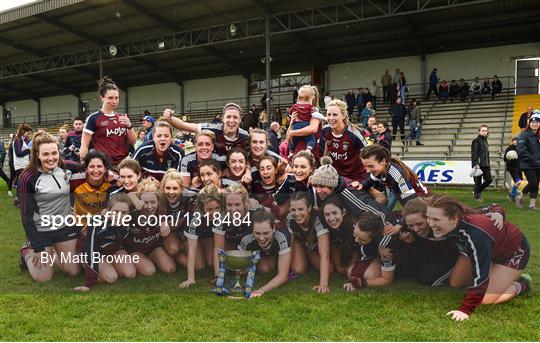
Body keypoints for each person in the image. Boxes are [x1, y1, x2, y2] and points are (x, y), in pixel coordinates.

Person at [426, 195, 531, 321]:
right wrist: (498, 212)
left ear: (454, 218)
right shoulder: (460, 215)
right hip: (484, 248)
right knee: (456, 283)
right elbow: (491, 206)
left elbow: (481, 277)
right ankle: (497, 273)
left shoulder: (476, 234)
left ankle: (522, 284)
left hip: (513, 252)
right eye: (428, 218)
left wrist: (465, 309)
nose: (430, 224)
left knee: (486, 299)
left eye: (436, 220)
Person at [18, 132, 81, 282]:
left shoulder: (67, 168)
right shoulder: (27, 178)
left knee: (74, 271)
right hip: (41, 231)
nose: (51, 158)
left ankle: (53, 252)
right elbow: (26, 217)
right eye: (45, 154)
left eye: (54, 153)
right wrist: (38, 246)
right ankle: (26, 251)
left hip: (65, 227)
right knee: (44, 278)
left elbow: (94, 168)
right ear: (37, 155)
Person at [74, 193, 137, 291]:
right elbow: (91, 252)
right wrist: (88, 284)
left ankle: (106, 265)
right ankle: (90, 268)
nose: (119, 216)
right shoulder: (97, 223)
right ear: (108, 211)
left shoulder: (130, 221)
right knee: (111, 277)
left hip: (110, 251)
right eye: (116, 212)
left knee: (130, 273)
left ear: (129, 213)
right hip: (89, 252)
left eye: (124, 213)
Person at [80, 76, 136, 167]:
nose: (114, 101)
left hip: (124, 164)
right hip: (104, 165)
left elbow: (133, 142)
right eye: (110, 98)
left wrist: (129, 126)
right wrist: (83, 164)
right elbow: (84, 146)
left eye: (116, 98)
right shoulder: (93, 118)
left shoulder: (122, 117)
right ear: (102, 98)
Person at [126, 178, 175, 276]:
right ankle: (138, 261)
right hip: (135, 250)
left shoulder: (161, 209)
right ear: (139, 201)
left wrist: (164, 221)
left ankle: (152, 258)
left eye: (153, 202)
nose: (149, 206)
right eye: (145, 202)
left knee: (170, 269)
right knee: (149, 271)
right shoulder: (132, 212)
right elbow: (128, 195)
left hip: (153, 247)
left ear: (158, 201)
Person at [239, 208, 292, 298]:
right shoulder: (246, 239)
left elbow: (283, 275)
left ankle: (280, 260)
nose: (262, 238)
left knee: (298, 268)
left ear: (274, 228)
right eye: (257, 233)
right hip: (266, 254)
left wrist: (261, 290)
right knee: (265, 269)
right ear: (252, 230)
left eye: (266, 233)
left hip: (286, 248)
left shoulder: (281, 236)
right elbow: (242, 267)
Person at [164, 102, 248, 157]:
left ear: (240, 119)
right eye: (228, 117)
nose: (231, 120)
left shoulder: (245, 136)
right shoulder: (212, 129)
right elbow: (183, 125)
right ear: (222, 118)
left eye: (235, 117)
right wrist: (169, 117)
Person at [358, 144, 430, 208]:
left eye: (371, 166)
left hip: (423, 202)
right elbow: (370, 181)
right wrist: (361, 185)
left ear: (383, 161)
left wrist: (404, 219)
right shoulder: (381, 169)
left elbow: (409, 198)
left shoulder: (397, 174)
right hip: (409, 198)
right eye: (365, 166)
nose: (367, 170)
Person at [287, 192, 331, 293]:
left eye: (301, 209)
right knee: (298, 270)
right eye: (293, 209)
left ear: (309, 208)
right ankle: (303, 258)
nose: (297, 214)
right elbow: (291, 243)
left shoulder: (318, 219)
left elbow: (325, 255)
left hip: (314, 247)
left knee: (330, 269)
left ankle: (307, 257)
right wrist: (284, 273)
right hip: (301, 244)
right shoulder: (290, 218)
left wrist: (323, 284)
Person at [181, 184, 223, 287]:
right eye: (209, 209)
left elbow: (218, 247)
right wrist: (191, 278)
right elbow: (192, 250)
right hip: (191, 234)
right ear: (202, 207)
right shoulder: (195, 218)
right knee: (199, 266)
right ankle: (177, 254)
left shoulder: (222, 213)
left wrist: (218, 276)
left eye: (217, 208)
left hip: (207, 234)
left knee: (210, 262)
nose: (215, 213)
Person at [343, 213, 396, 291]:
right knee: (349, 271)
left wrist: (363, 283)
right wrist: (354, 278)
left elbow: (387, 279)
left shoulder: (386, 247)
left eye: (362, 239)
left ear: (374, 238)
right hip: (372, 253)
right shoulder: (359, 228)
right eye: (355, 235)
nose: (356, 240)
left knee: (369, 275)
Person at [320, 99, 368, 183]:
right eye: (329, 114)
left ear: (343, 115)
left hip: (356, 177)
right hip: (337, 176)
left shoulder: (354, 134)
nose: (331, 118)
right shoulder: (325, 130)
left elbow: (367, 154)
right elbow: (327, 145)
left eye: (335, 115)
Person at [160, 169, 189, 267]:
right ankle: (166, 250)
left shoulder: (189, 196)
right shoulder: (158, 198)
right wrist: (163, 221)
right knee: (173, 250)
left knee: (198, 266)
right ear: (163, 188)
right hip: (167, 232)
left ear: (181, 189)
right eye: (167, 188)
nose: (171, 192)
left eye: (175, 188)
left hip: (183, 230)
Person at [287, 85, 322, 156]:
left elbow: (313, 129)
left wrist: (292, 132)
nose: (299, 99)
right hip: (297, 152)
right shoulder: (296, 110)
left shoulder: (315, 112)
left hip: (309, 152)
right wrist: (291, 123)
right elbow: (288, 138)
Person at [516, 112, 540, 210]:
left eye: (537, 122)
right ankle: (519, 196)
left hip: (538, 164)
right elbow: (521, 151)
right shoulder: (524, 135)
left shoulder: (538, 136)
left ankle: (532, 205)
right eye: (533, 122)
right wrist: (534, 160)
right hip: (528, 164)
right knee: (533, 182)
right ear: (529, 123)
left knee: (536, 183)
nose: (535, 124)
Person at [11, 123, 33, 207]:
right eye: (28, 133)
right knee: (23, 183)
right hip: (21, 165)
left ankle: (17, 201)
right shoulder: (18, 140)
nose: (29, 135)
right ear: (23, 131)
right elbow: (18, 153)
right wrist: (29, 150)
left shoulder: (20, 139)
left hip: (22, 165)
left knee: (22, 182)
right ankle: (19, 201)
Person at [471, 125, 492, 202]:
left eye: (486, 130)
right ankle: (477, 196)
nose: (484, 132)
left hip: (486, 164)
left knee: (489, 180)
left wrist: (488, 164)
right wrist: (476, 164)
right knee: (478, 181)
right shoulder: (476, 141)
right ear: (479, 131)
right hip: (479, 165)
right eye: (482, 131)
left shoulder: (485, 141)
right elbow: (474, 154)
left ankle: (477, 191)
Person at [503, 135, 522, 203]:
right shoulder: (509, 149)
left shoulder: (520, 148)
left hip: (519, 168)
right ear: (512, 141)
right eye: (514, 140)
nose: (515, 141)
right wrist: (509, 158)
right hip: (512, 168)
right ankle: (511, 195)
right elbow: (505, 159)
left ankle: (514, 194)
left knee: (518, 182)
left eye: (517, 140)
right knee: (518, 182)